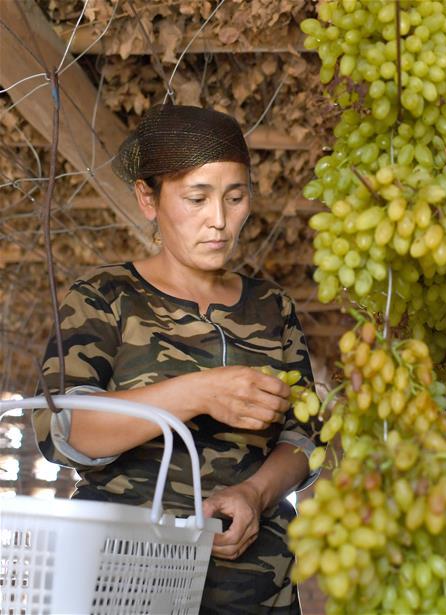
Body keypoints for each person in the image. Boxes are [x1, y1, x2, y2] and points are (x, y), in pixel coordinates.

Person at [32, 104, 318, 614]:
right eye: (197, 198)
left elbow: (302, 437)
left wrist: (254, 494)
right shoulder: (105, 297)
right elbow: (62, 429)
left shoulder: (273, 308)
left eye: (236, 197)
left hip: (256, 586)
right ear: (148, 198)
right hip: (123, 579)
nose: (220, 221)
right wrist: (200, 392)